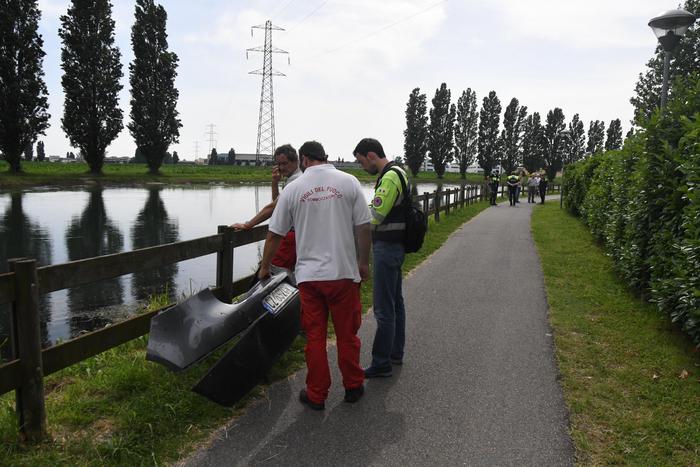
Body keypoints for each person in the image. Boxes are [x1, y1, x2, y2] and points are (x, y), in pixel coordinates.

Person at [258, 141, 371, 410]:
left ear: (304, 159)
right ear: (324, 157)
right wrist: (363, 263)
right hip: (343, 273)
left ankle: (317, 394)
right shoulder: (349, 182)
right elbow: (364, 227)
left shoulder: (294, 189)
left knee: (315, 337)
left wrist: (265, 267)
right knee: (347, 335)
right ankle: (353, 386)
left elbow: (275, 234)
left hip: (309, 278)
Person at [353, 138, 409, 378]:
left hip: (386, 248)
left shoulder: (390, 176)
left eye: (361, 161)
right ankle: (395, 353)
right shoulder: (399, 171)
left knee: (384, 308)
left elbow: (375, 214)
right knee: (395, 302)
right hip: (395, 246)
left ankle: (381, 362)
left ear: (372, 155)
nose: (361, 166)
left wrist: (352, 214)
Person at [231, 144, 301, 270]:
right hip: (297, 237)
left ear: (295, 161)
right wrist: (275, 183)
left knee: (270, 269)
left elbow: (273, 208)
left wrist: (248, 225)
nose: (281, 168)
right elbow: (280, 205)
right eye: (279, 164)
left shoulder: (296, 180)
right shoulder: (294, 178)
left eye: (284, 163)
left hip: (292, 236)